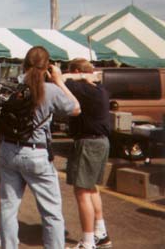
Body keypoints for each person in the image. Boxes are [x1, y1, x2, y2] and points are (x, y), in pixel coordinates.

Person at [0, 46, 80, 249]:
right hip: (36, 153)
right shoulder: (50, 90)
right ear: (48, 67)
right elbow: (76, 108)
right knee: (51, 213)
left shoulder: (11, 87)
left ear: (24, 64)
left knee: (8, 209)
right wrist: (58, 81)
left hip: (8, 151)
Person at [64, 59, 112, 249]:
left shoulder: (81, 88)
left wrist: (74, 76)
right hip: (101, 142)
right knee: (91, 188)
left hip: (87, 142)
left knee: (82, 191)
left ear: (76, 71)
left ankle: (88, 241)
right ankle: (101, 233)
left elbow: (61, 79)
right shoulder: (100, 90)